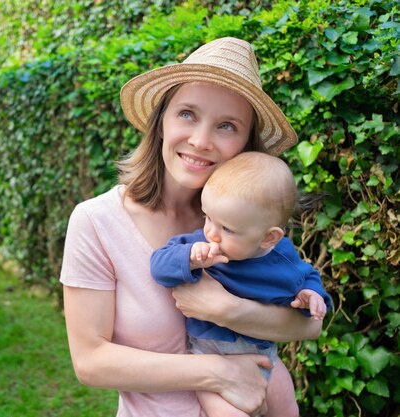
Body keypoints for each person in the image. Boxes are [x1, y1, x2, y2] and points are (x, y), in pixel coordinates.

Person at [60, 37, 323, 417]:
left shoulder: (243, 222)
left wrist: (226, 309)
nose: (200, 141)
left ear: (246, 145)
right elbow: (90, 361)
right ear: (162, 121)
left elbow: (308, 327)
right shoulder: (97, 222)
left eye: (227, 126)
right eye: (187, 114)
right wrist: (218, 372)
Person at [150, 151, 332, 417]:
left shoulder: (282, 259)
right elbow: (159, 266)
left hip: (262, 355)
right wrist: (189, 259)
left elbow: (307, 277)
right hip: (208, 355)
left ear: (268, 237)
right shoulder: (198, 244)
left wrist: (310, 295)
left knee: (288, 410)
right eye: (208, 218)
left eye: (228, 229)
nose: (211, 232)